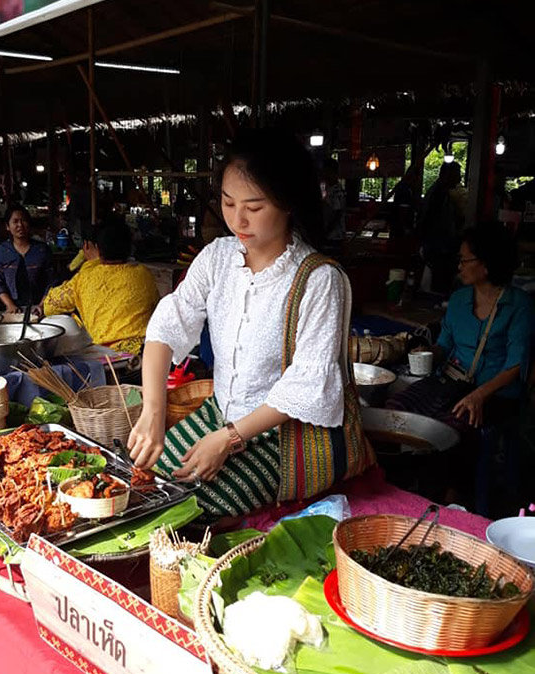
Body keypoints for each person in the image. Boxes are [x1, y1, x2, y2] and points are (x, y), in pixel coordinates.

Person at [127, 128, 349, 521]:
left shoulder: (317, 279)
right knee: (149, 480)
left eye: (255, 206)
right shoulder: (217, 258)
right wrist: (153, 410)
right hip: (220, 414)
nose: (238, 219)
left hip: (284, 438)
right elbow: (168, 324)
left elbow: (307, 384)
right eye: (229, 203)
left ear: (288, 203)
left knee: (191, 507)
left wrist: (230, 439)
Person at [387, 222, 534, 430]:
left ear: (486, 264)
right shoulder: (458, 299)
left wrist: (479, 395)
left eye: (464, 261)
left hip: (495, 394)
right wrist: (428, 352)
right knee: (396, 408)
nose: (459, 267)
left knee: (448, 428)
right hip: (452, 383)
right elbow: (444, 345)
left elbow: (516, 365)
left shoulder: (519, 305)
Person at [43, 215, 160, 355]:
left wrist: (92, 263)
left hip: (107, 355)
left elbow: (49, 307)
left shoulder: (86, 276)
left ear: (98, 248)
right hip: (142, 352)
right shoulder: (144, 274)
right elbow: (155, 306)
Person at [0, 204, 54, 314]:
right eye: (15, 221)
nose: (20, 225)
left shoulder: (42, 250)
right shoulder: (2, 251)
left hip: (39, 306)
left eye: (23, 221)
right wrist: (10, 305)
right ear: (7, 226)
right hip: (12, 307)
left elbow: (51, 282)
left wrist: (42, 305)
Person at [418, 161, 463, 293]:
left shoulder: (443, 193)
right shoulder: (437, 194)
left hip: (440, 249)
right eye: (457, 174)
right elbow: (427, 221)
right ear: (446, 175)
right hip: (438, 250)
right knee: (437, 288)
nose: (459, 179)